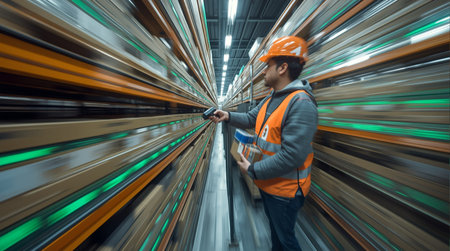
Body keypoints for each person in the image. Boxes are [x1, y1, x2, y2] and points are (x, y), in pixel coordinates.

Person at [210, 36, 318, 251]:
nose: (262, 71)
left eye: (267, 66)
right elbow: (251, 118)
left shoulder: (301, 103)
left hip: (285, 192)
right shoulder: (272, 98)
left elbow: (292, 156)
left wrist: (254, 169)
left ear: (282, 68)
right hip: (270, 185)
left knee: (286, 241)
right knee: (277, 237)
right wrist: (227, 116)